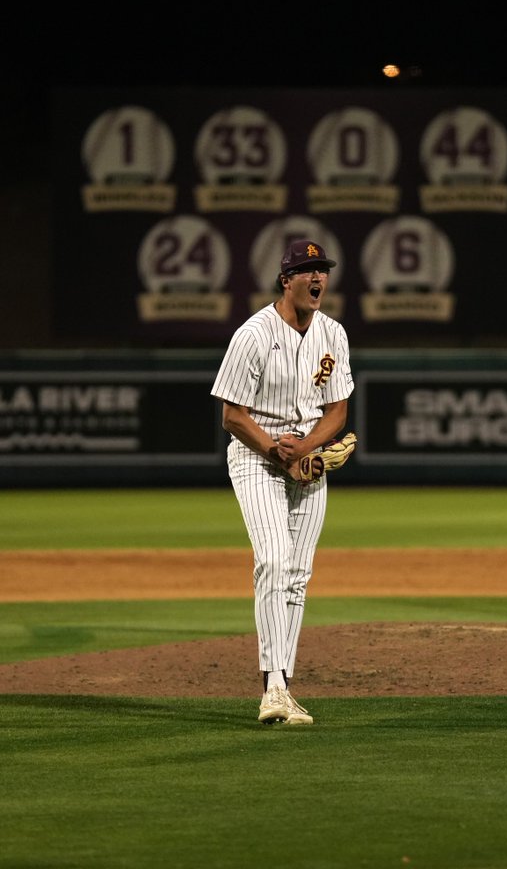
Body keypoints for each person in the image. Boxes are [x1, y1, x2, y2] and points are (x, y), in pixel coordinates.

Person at [211, 239, 355, 725]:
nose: (317, 278)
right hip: (257, 459)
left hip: (306, 467)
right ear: (286, 280)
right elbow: (232, 415)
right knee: (273, 560)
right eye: (307, 270)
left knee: (297, 576)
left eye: (323, 270)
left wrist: (309, 447)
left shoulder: (333, 334)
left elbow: (337, 410)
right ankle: (271, 688)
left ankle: (284, 689)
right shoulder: (253, 334)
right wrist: (278, 451)